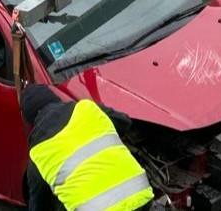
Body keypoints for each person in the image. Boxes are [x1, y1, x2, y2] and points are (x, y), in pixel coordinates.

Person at [20, 84, 154, 211]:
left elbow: (39, 205)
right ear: (56, 99)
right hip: (140, 194)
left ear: (31, 121)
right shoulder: (87, 107)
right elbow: (124, 122)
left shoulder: (37, 154)